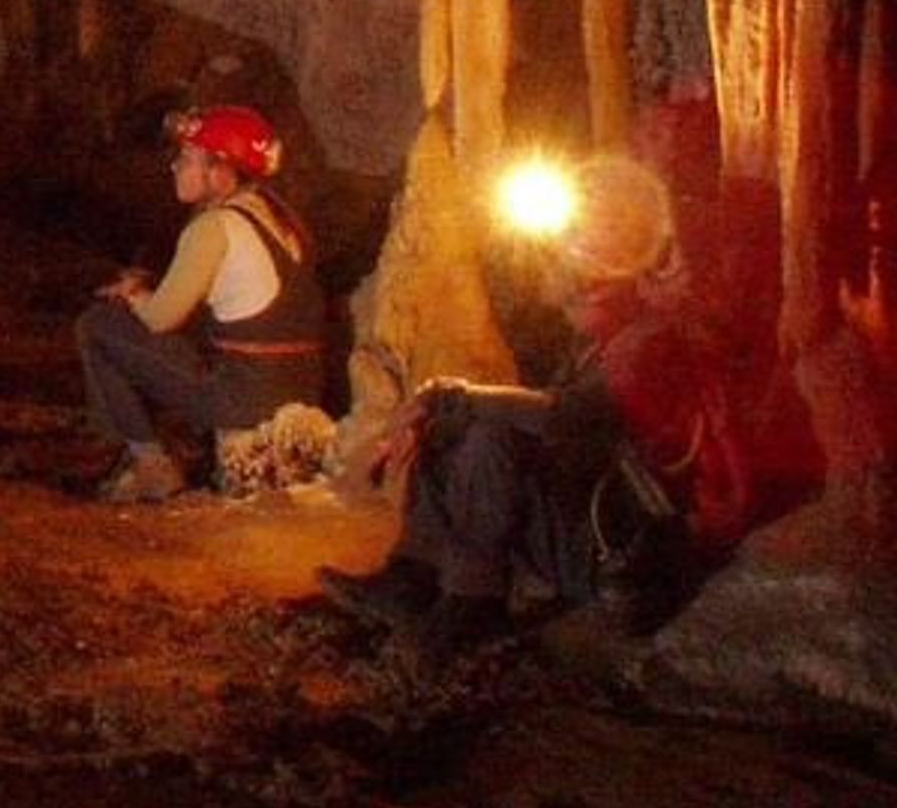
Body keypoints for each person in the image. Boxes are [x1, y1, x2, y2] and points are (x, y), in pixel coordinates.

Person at [319, 155, 756, 662]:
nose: (568, 270)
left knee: (489, 439)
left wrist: (461, 397)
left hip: (622, 550)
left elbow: (569, 418)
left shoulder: (652, 343)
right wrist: (447, 408)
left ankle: (471, 603)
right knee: (456, 429)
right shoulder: (610, 342)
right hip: (597, 524)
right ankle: (412, 578)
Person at [75, 102, 326, 502]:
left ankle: (149, 463)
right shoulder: (277, 216)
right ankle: (176, 446)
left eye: (188, 158)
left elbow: (160, 319)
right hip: (300, 387)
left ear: (220, 171)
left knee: (100, 325)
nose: (175, 166)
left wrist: (135, 293)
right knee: (185, 335)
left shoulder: (213, 227)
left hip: (245, 397)